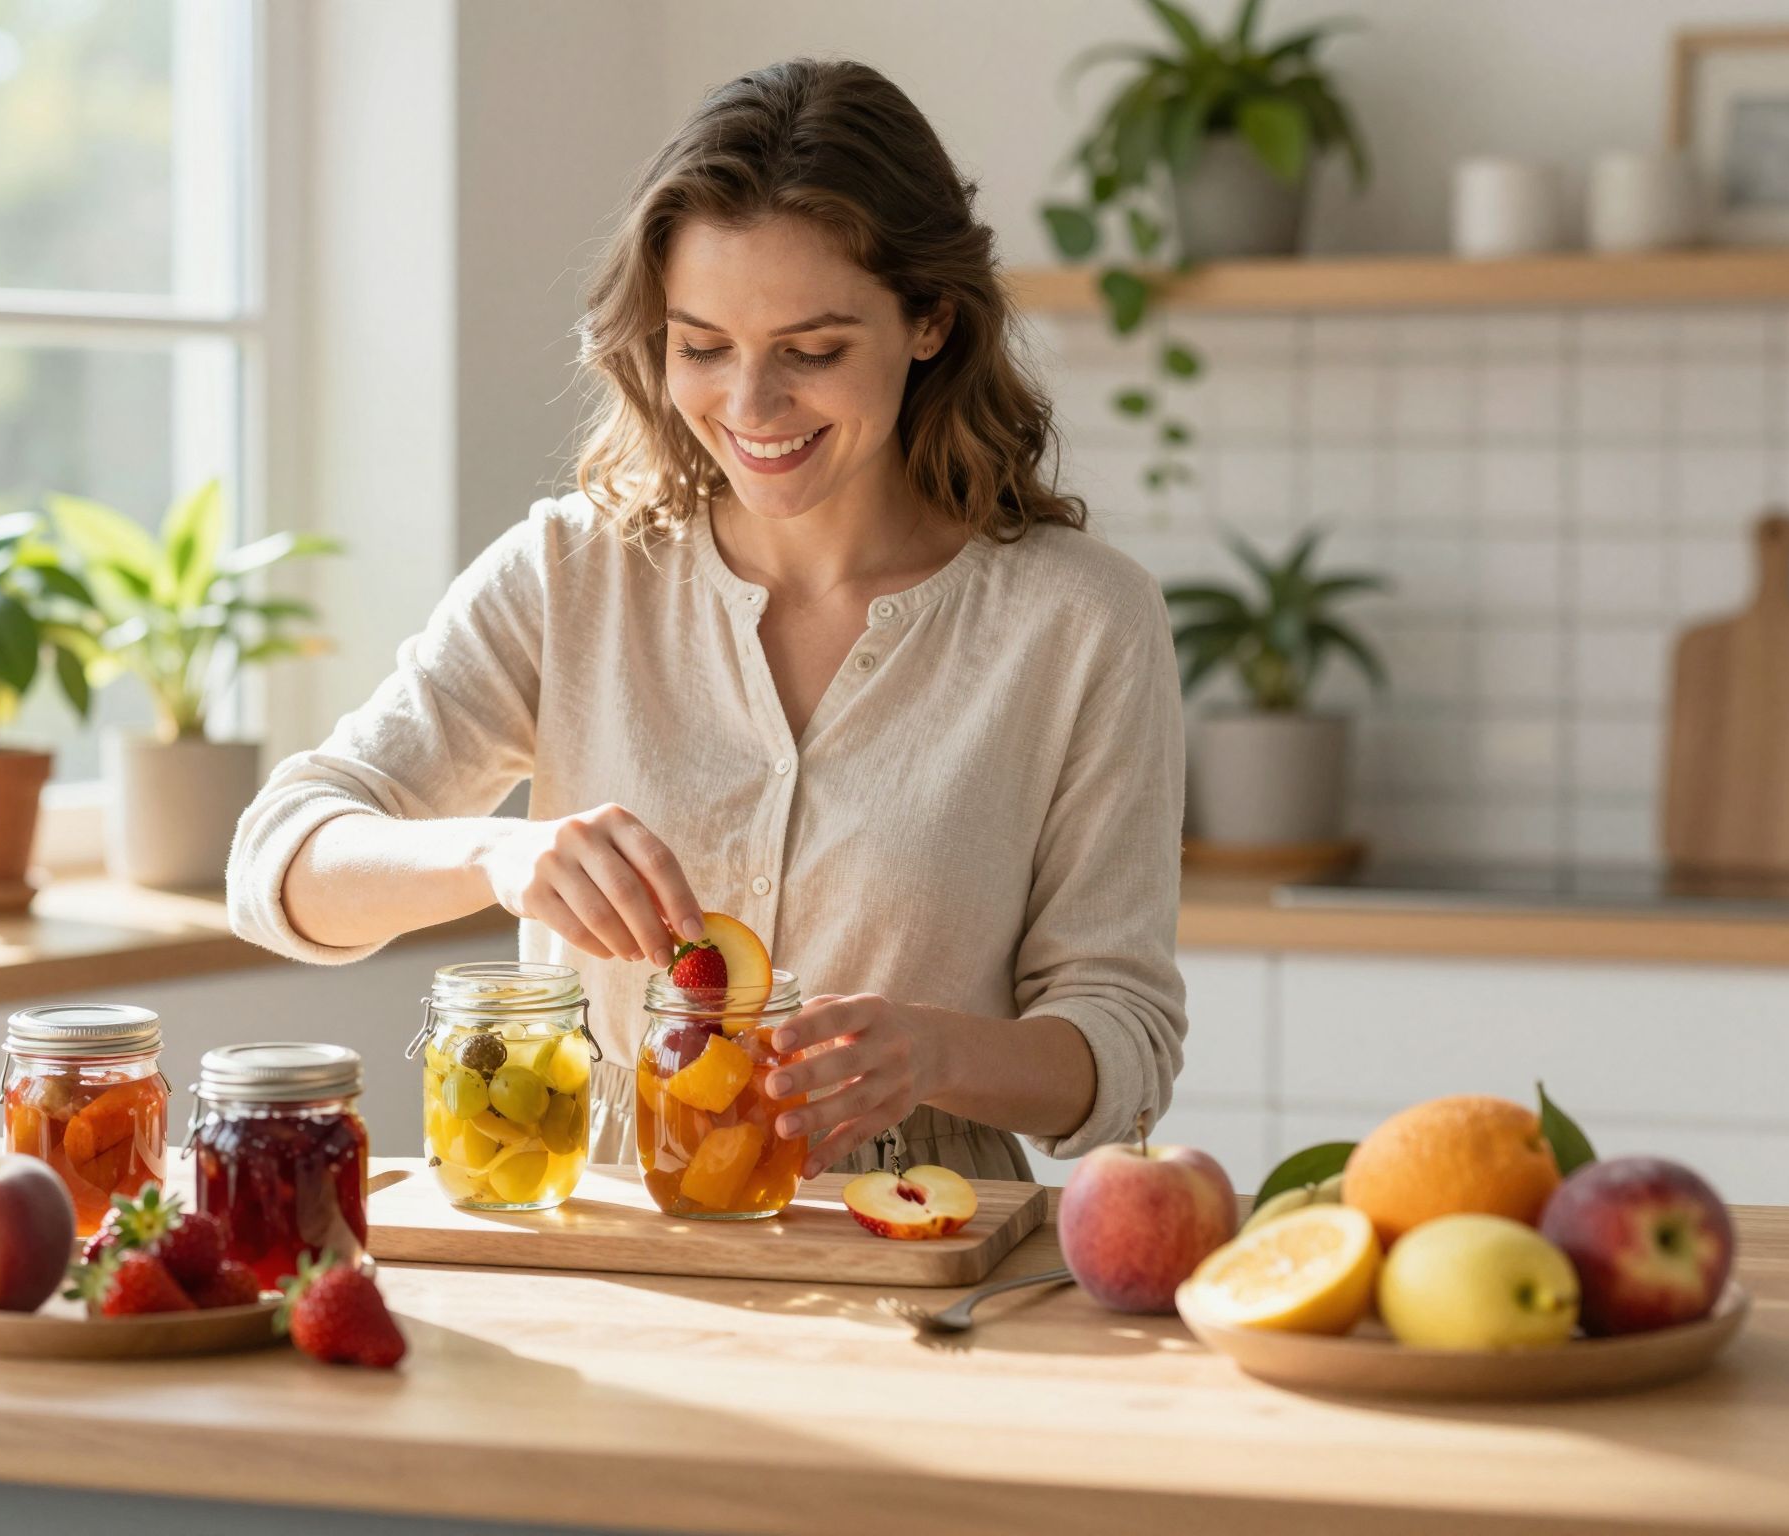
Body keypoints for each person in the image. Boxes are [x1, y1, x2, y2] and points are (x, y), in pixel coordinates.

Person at [228, 56, 1189, 1182]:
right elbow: (277, 862)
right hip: (598, 1221)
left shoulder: (1080, 624)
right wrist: (497, 853)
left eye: (811, 351)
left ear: (928, 318)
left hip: (914, 1236)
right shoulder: (568, 573)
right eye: (702, 347)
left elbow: (1122, 1043)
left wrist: (934, 1052)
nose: (749, 407)